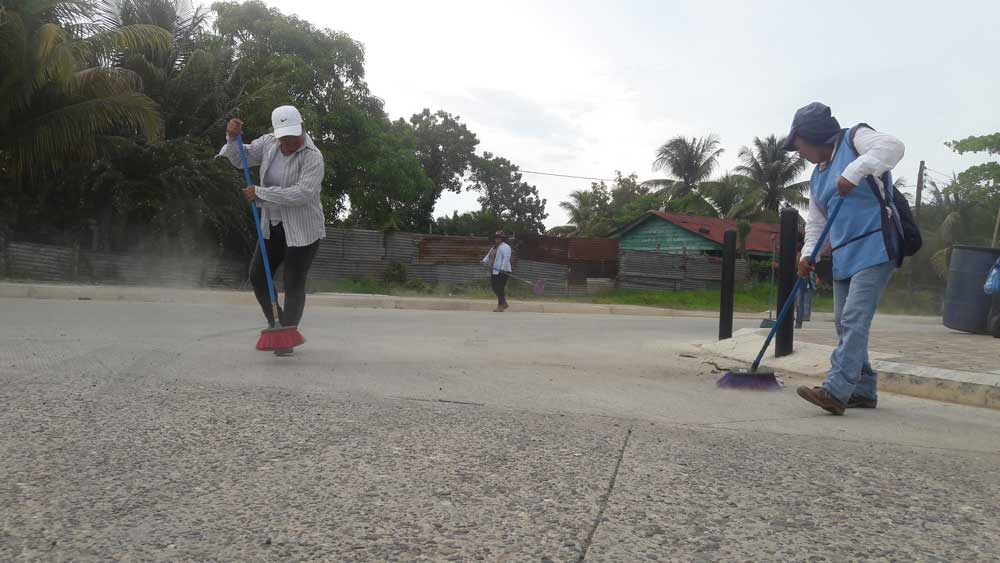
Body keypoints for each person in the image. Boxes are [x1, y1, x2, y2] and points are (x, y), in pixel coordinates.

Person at [782, 102, 905, 415]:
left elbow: (894, 147)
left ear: (813, 135)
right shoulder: (817, 177)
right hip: (844, 253)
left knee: (853, 318)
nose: (799, 153)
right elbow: (816, 224)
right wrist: (807, 254)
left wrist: (854, 172)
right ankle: (863, 389)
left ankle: (836, 391)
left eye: (799, 145)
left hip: (876, 244)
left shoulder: (854, 139)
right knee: (842, 321)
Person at [219, 106, 325, 355]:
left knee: (293, 281)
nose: (288, 143)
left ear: (302, 128)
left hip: (303, 230)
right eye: (283, 138)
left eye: (293, 137)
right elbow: (239, 158)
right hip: (273, 225)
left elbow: (302, 193)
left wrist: (261, 193)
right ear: (277, 134)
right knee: (257, 275)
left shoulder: (313, 157)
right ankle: (276, 323)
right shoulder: (268, 143)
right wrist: (232, 138)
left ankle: (287, 336)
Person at [482, 231, 512, 312]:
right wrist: (484, 261)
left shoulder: (506, 247)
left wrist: (503, 268)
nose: (497, 239)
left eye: (499, 238)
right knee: (494, 287)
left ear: (502, 239)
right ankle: (504, 303)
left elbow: (506, 258)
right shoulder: (494, 247)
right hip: (494, 270)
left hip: (503, 271)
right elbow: (488, 256)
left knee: (500, 288)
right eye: (496, 238)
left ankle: (500, 306)